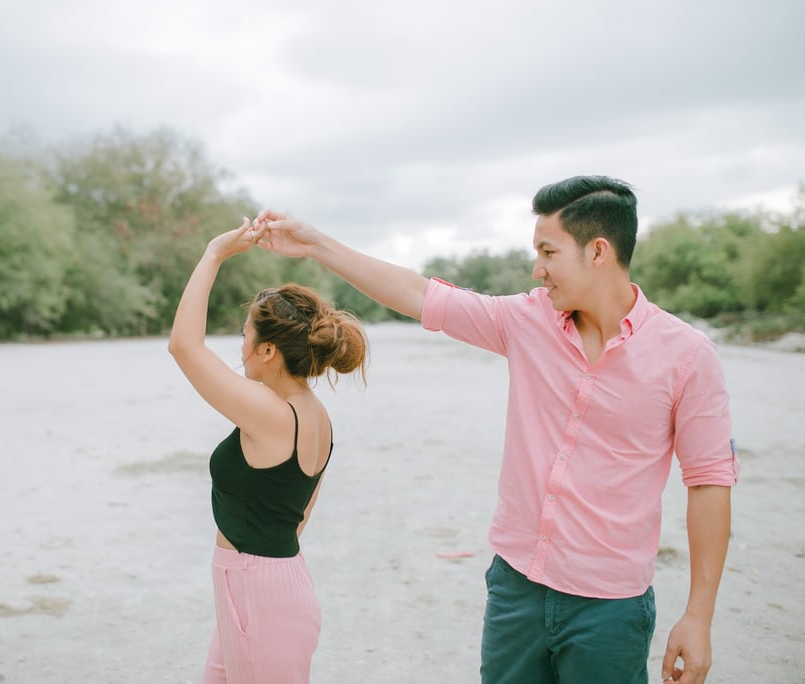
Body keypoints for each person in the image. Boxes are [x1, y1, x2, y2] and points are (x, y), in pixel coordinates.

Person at [253, 175, 739, 684]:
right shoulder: (527, 320)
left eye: (548, 252)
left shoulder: (687, 357)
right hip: (516, 591)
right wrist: (314, 245)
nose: (538, 269)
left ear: (598, 251)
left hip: (610, 610)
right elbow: (420, 295)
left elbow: (709, 483)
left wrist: (699, 616)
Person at [168, 218, 369, 683]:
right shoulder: (311, 413)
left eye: (245, 336)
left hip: (259, 596)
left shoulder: (273, 413)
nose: (240, 345)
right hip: (264, 590)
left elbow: (184, 346)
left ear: (268, 352)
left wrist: (214, 252)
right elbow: (297, 518)